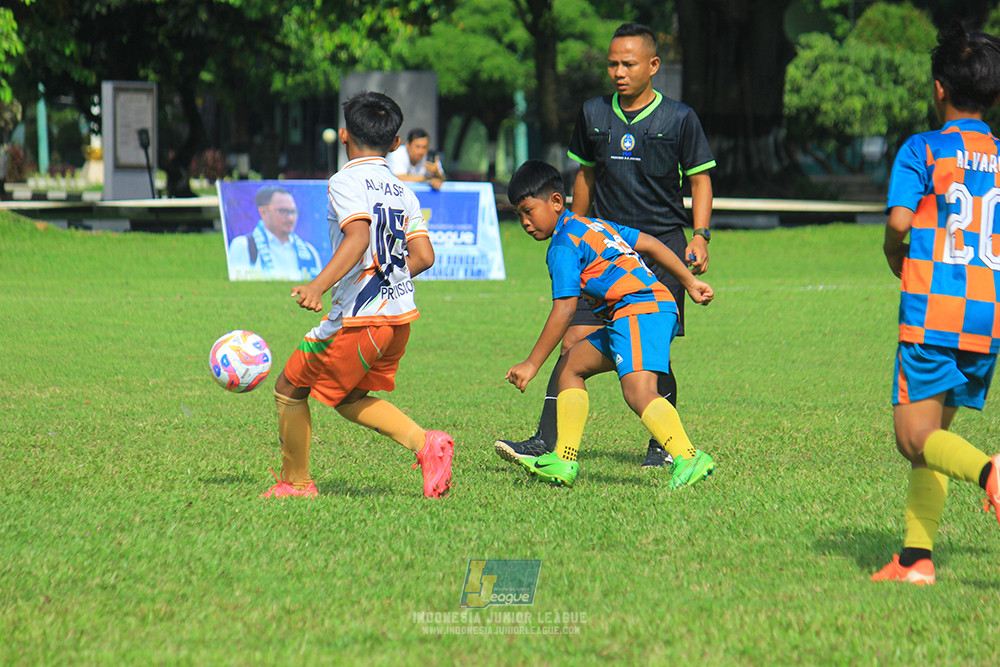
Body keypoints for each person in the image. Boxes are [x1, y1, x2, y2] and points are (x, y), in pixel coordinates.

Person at [494, 22, 716, 469]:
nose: (618, 71)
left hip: (659, 245)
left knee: (653, 352)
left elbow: (701, 178)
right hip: (604, 245)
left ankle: (665, 448)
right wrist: (573, 227)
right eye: (612, 63)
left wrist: (700, 234)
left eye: (628, 64)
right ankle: (549, 440)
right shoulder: (594, 113)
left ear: (652, 65)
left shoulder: (678, 117)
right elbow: (584, 177)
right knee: (572, 342)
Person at [260, 91, 454, 500]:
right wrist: (388, 276)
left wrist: (318, 286)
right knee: (349, 397)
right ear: (396, 143)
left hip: (358, 318)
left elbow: (358, 235)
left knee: (288, 388)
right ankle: (428, 445)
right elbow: (425, 256)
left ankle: (296, 483)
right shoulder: (404, 191)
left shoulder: (344, 180)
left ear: (344, 135)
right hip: (398, 317)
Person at [871, 24, 1000, 585]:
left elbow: (900, 221)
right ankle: (915, 559)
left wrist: (892, 251)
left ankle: (991, 471)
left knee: (913, 438)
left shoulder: (923, 148)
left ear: (939, 87)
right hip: (986, 316)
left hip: (934, 309)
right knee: (935, 440)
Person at [504, 159, 715, 489]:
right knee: (571, 366)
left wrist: (531, 364)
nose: (525, 222)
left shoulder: (562, 245)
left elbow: (564, 310)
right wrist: (688, 282)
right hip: (651, 307)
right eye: (519, 215)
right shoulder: (594, 226)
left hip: (638, 311)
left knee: (638, 392)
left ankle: (688, 457)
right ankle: (564, 457)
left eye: (529, 211)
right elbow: (649, 243)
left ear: (556, 202)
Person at [227, 185, 323, 281]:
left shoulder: (310, 252)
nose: (290, 218)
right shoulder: (244, 246)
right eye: (283, 211)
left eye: (293, 212)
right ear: (263, 212)